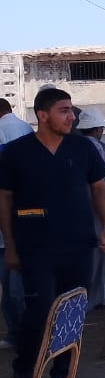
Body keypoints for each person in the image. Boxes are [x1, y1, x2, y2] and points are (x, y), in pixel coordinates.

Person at [0, 88, 105, 378]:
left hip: (78, 246)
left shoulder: (82, 149)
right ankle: (26, 370)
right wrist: (10, 246)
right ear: (42, 115)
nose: (71, 116)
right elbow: (5, 200)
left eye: (71, 110)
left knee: (72, 313)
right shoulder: (16, 153)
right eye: (64, 110)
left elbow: (100, 190)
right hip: (34, 248)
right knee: (38, 312)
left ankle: (62, 376)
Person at [76, 109, 105, 309]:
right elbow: (101, 183)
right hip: (96, 209)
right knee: (100, 251)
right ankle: (97, 296)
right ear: (97, 129)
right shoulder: (94, 148)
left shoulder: (76, 146)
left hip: (82, 208)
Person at [0, 99, 32, 349]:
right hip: (26, 220)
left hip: (9, 227)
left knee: (13, 286)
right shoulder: (26, 128)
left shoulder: (3, 133)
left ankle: (20, 335)